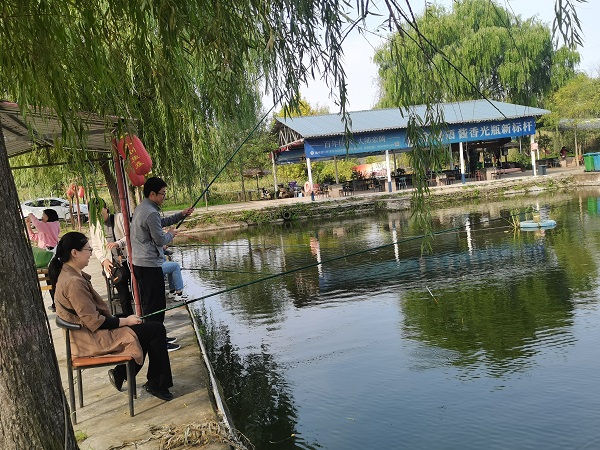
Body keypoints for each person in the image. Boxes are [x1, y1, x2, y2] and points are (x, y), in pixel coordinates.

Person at [48, 231, 174, 401]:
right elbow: (94, 322)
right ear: (74, 253)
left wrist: (126, 320)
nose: (91, 253)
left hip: (84, 333)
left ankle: (124, 374)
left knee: (142, 326)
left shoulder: (69, 274)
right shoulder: (73, 282)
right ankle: (154, 383)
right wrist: (126, 321)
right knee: (156, 329)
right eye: (88, 249)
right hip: (88, 339)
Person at [130, 177, 193, 351]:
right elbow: (159, 239)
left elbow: (160, 223)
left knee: (151, 304)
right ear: (152, 194)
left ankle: (157, 336)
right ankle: (158, 343)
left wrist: (181, 215)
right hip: (149, 265)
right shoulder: (150, 212)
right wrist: (171, 234)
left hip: (142, 263)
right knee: (156, 306)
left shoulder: (143, 207)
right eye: (162, 194)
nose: (164, 197)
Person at [88, 199, 134, 316]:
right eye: (94, 213)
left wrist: (118, 243)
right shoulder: (94, 226)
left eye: (99, 211)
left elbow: (131, 235)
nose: (97, 215)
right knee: (123, 296)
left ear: (106, 208)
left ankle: (142, 316)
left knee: (137, 291)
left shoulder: (119, 218)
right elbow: (95, 247)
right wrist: (103, 260)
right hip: (113, 265)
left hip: (129, 260)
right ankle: (130, 319)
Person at [26, 208, 60, 311]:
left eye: (44, 215)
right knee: (50, 280)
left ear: (49, 216)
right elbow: (33, 237)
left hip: (51, 254)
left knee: (53, 279)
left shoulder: (53, 225)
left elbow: (38, 224)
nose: (42, 217)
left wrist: (31, 215)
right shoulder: (45, 228)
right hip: (45, 256)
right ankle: (55, 303)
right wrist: (28, 225)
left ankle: (58, 303)